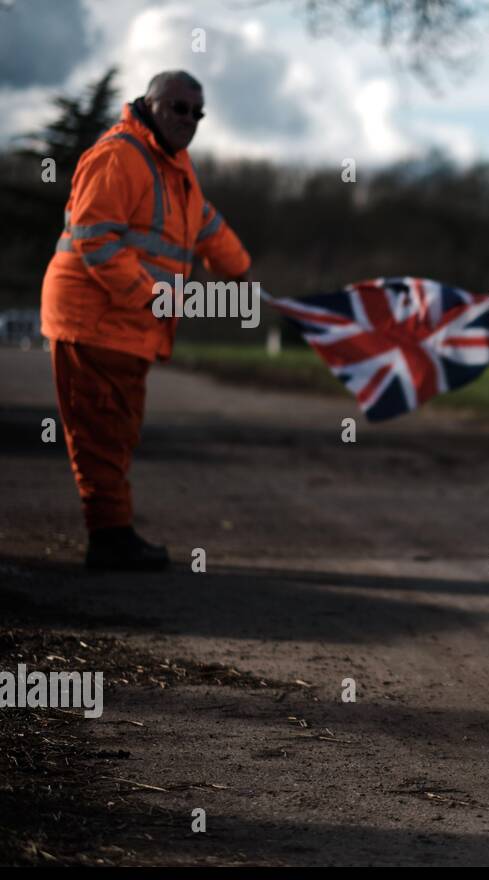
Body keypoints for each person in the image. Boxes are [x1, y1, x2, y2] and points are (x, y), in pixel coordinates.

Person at [40, 70, 252, 570]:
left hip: (128, 326)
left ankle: (112, 533)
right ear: (149, 103)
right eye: (179, 108)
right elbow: (96, 238)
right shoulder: (120, 156)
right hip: (93, 321)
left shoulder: (174, 167)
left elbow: (204, 221)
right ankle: (109, 539)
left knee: (117, 429)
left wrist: (240, 271)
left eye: (197, 113)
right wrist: (152, 298)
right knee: (101, 432)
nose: (189, 120)